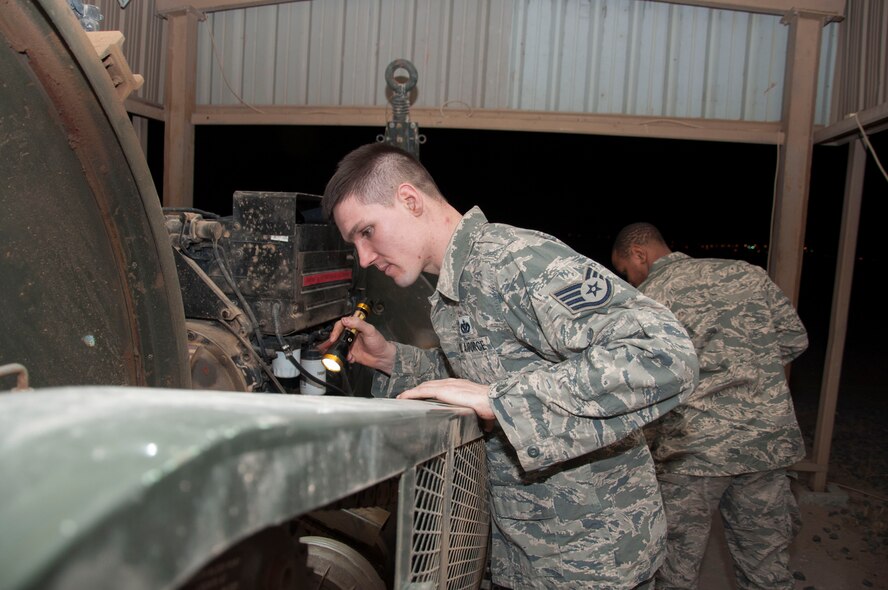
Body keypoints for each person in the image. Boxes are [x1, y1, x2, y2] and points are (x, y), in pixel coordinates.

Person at [320, 142, 699, 589]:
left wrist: (501, 401)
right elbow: (484, 375)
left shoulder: (513, 260)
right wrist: (390, 358)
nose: (364, 258)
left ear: (409, 200)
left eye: (366, 232)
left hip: (591, 559)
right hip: (525, 553)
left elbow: (663, 353)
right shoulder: (455, 287)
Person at [611, 222, 809, 590]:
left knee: (675, 569)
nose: (629, 280)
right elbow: (794, 340)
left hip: (691, 450)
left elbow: (640, 377)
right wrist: (749, 372)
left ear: (639, 255)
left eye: (625, 271)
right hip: (766, 442)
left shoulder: (647, 299)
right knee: (766, 566)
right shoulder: (748, 274)